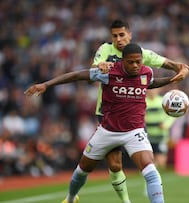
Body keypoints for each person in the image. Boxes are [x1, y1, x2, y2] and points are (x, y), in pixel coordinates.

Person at [24, 43, 178, 203]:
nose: (135, 65)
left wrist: (172, 79)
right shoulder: (108, 72)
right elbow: (77, 76)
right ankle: (70, 199)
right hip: (107, 131)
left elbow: (151, 83)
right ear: (122, 60)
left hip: (134, 132)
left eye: (138, 61)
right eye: (130, 62)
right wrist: (46, 84)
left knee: (151, 171)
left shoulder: (146, 72)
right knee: (82, 169)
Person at [92, 19, 189, 203]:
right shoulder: (105, 50)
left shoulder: (142, 54)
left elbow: (166, 62)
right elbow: (93, 68)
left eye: (122, 35)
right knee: (114, 165)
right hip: (107, 114)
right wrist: (100, 66)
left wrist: (181, 68)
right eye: (115, 36)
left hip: (133, 117)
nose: (119, 39)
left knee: (149, 164)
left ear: (130, 35)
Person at [145, 88, 176, 170]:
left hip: (161, 136)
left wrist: (166, 124)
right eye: (150, 89)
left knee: (161, 160)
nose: (152, 91)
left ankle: (160, 178)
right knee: (148, 160)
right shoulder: (144, 102)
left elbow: (172, 114)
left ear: (158, 90)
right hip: (147, 136)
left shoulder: (163, 101)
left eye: (154, 89)